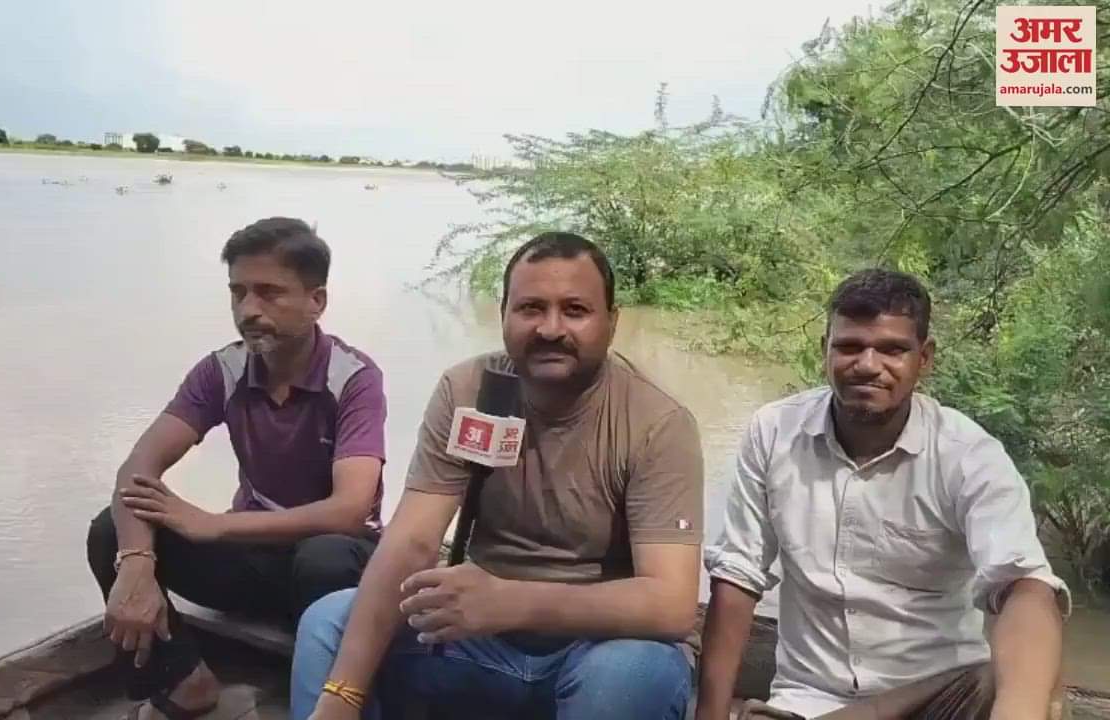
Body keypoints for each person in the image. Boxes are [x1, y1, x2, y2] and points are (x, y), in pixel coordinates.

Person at [290, 231, 706, 720]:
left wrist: (513, 602)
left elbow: (671, 604)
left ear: (612, 323)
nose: (551, 328)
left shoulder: (657, 422)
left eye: (575, 310)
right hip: (478, 639)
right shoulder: (467, 389)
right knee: (328, 623)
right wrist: (343, 694)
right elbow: (411, 542)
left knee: (632, 674)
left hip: (597, 649)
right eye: (531, 308)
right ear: (503, 314)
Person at [697, 269, 1069, 720]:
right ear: (824, 351)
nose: (868, 364)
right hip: (811, 703)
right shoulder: (774, 433)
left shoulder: (968, 455)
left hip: (939, 698)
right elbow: (737, 577)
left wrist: (1018, 709)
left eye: (893, 349)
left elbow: (1025, 587)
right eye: (849, 346)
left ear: (924, 358)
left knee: (1019, 683)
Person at [86, 217, 387, 720]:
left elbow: (350, 510)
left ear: (317, 301)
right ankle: (184, 683)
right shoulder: (222, 370)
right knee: (108, 530)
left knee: (325, 557)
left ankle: (320, 689)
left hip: (331, 567)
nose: (249, 310)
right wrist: (136, 561)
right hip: (252, 558)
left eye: (269, 293)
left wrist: (215, 524)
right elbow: (136, 470)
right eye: (239, 293)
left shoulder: (353, 378)